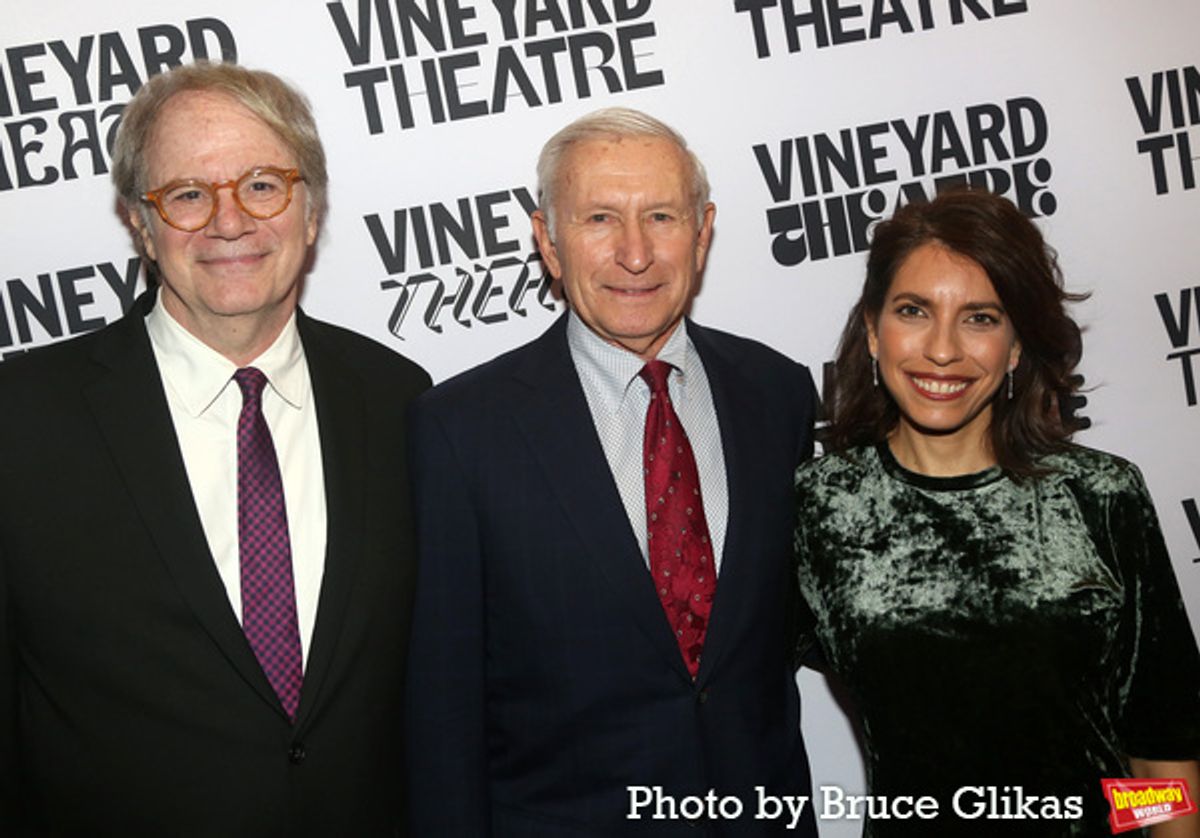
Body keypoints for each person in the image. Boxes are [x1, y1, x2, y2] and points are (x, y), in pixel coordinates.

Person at [0, 62, 430, 835]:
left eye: (263, 184)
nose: (229, 222)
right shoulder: (22, 418)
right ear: (140, 221)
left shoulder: (400, 397)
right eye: (189, 195)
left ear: (311, 207)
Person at [405, 107, 819, 836]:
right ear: (548, 241)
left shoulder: (777, 393)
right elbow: (444, 709)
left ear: (703, 230)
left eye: (660, 215)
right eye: (599, 218)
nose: (636, 253)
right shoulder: (460, 430)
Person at [795, 188, 1200, 836]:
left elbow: (1162, 759)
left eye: (980, 317)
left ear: (1016, 347)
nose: (943, 349)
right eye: (913, 311)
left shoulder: (1102, 495)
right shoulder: (816, 508)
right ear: (873, 328)